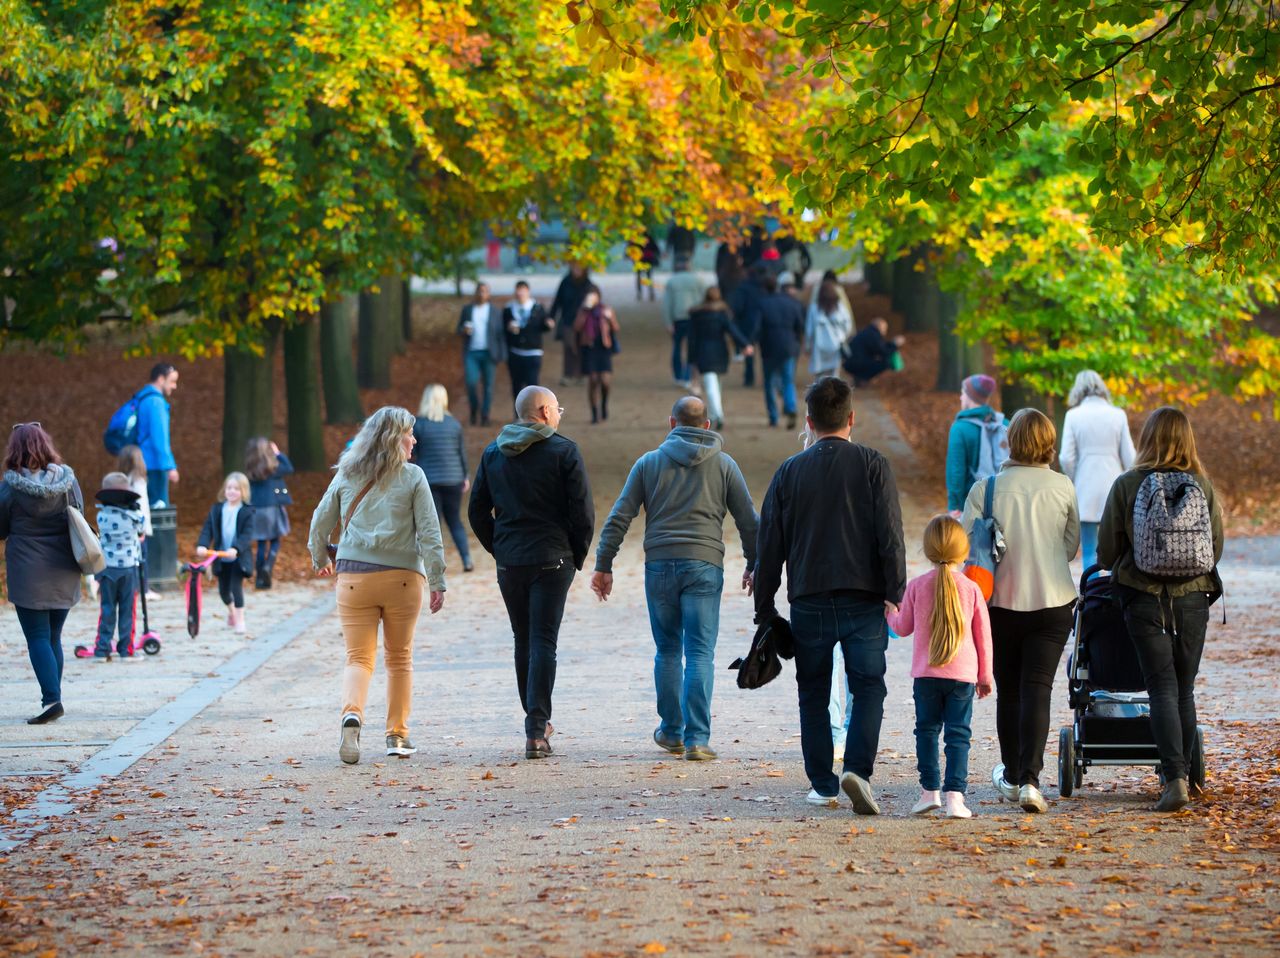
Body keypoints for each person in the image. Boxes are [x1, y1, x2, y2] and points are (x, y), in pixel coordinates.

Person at [754, 377, 906, 812]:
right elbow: (890, 535)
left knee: (813, 692)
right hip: (864, 597)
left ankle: (822, 782)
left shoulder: (789, 472)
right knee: (869, 686)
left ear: (809, 421)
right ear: (851, 418)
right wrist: (894, 589)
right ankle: (857, 766)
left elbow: (770, 547)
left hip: (810, 598)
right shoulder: (873, 465)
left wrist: (764, 606)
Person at [591, 397, 759, 761]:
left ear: (672, 423)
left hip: (660, 567)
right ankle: (698, 738)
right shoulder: (725, 465)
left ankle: (671, 731)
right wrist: (755, 563)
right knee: (700, 652)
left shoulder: (648, 463)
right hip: (704, 566)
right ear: (708, 426)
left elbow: (620, 515)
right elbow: (749, 520)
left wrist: (604, 564)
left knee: (667, 650)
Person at [1098, 407, 1223, 812]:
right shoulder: (1202, 486)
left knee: (1161, 688)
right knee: (1183, 690)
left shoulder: (1128, 484)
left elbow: (1106, 552)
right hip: (1193, 599)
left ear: (1147, 438)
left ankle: (1174, 781)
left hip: (1143, 597)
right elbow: (1215, 548)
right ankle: (1183, 774)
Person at [308, 406, 447, 764]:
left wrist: (320, 559)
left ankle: (351, 714)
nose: (414, 439)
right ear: (392, 438)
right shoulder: (413, 477)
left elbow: (319, 523)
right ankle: (397, 736)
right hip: (403, 578)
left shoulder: (347, 475)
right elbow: (430, 533)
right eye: (409, 433)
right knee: (399, 659)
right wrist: (437, 580)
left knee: (358, 657)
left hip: (354, 578)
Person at [961, 408, 1079, 814]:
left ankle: (1012, 776)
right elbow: (1070, 546)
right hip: (1052, 603)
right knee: (1038, 690)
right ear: (1048, 441)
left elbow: (966, 546)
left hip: (999, 605)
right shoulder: (1063, 486)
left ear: (1010, 440)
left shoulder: (986, 489)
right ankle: (1030, 780)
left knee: (1009, 692)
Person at [468, 386, 594, 760]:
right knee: (543, 641)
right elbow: (583, 514)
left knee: (523, 639)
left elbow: (477, 511)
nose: (559, 415)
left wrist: (499, 548)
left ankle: (534, 724)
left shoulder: (494, 453)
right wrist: (576, 555)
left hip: (512, 561)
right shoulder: (563, 451)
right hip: (553, 559)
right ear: (542, 411)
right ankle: (537, 727)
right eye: (557, 409)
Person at [886, 515, 993, 819]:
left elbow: (902, 627)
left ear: (928, 549)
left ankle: (929, 792)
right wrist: (985, 676)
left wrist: (890, 613)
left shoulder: (918, 586)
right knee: (958, 736)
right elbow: (983, 637)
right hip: (962, 677)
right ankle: (955, 799)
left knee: (927, 731)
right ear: (964, 551)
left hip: (926, 675)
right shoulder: (971, 589)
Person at [0, 424, 85, 724]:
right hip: (64, 568)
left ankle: (52, 698)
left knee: (37, 636)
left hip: (28, 572)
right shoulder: (68, 480)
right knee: (53, 636)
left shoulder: (10, 487)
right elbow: (80, 516)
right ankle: (54, 697)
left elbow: (1, 528)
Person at [1059, 370, 1136, 570]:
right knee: (1118, 549)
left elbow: (1066, 457)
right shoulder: (1118, 415)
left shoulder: (1073, 416)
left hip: (1085, 486)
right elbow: (1130, 457)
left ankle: (1093, 597)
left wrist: (1074, 478)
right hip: (1115, 484)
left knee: (1089, 553)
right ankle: (1115, 595)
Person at [411, 384, 473, 573]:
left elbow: (414, 453)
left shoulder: (419, 424)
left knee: (431, 525)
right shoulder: (453, 424)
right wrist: (465, 475)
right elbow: (460, 452)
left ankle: (431, 565)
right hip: (453, 478)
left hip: (429, 480)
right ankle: (467, 559)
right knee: (455, 520)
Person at [92, 472, 145, 659]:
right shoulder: (134, 516)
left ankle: (102, 648)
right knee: (127, 610)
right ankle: (125, 649)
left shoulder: (101, 516)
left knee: (107, 609)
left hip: (107, 569)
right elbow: (142, 530)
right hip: (129, 569)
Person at [196, 473, 256, 636]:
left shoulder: (247, 512)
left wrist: (236, 548)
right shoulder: (217, 509)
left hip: (238, 557)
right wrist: (202, 545)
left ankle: (240, 620)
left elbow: (247, 535)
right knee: (223, 591)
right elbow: (207, 529)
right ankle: (232, 612)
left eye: (236, 489)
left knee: (236, 588)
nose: (232, 491)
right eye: (229, 488)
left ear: (243, 491)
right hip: (220, 557)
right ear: (224, 490)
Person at [687, 288, 753, 431]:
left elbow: (692, 339)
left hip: (703, 352)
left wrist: (691, 359)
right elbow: (733, 331)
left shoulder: (696, 315)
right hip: (720, 352)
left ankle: (717, 416)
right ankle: (715, 415)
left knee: (711, 387)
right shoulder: (722, 314)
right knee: (716, 386)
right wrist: (745, 344)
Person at [946, 374, 1007, 517]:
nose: (961, 397)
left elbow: (956, 471)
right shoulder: (1004, 424)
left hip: (971, 506)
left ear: (969, 396)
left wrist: (954, 505)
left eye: (962, 393)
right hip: (1003, 504)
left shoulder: (960, 428)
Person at [755, 274, 806, 429]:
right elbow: (800, 325)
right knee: (788, 380)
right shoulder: (791, 303)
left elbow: (757, 328)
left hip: (769, 348)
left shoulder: (762, 304)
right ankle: (790, 408)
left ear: (764, 288)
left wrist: (752, 342)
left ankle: (773, 416)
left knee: (769, 382)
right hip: (788, 346)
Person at [244, 437, 294, 590]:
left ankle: (260, 577)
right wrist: (278, 453)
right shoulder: (273, 469)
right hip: (272, 508)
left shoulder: (251, 470)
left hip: (255, 509)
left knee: (260, 543)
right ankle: (268, 565)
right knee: (275, 539)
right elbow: (289, 468)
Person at [456, 282, 507, 427]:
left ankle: (485, 415)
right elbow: (458, 329)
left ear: (488, 294)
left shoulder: (495, 311)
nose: (481, 294)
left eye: (485, 291)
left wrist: (502, 354)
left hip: (489, 353)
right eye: (479, 291)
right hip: (471, 352)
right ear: (475, 293)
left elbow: (500, 334)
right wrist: (463, 331)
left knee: (488, 386)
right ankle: (474, 410)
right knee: (471, 383)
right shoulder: (467, 310)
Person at [573, 286, 620, 425]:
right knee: (593, 380)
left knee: (605, 381)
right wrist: (584, 311)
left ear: (598, 297)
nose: (591, 299)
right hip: (589, 348)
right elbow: (576, 327)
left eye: (593, 296)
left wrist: (609, 318)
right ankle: (594, 413)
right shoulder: (582, 311)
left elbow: (616, 328)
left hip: (603, 347)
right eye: (589, 296)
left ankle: (604, 404)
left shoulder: (606, 309)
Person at [136, 362, 180, 506]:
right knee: (159, 510)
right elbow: (159, 438)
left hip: (141, 463)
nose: (175, 386)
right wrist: (169, 466)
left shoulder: (143, 398)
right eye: (172, 381)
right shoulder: (156, 402)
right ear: (161, 379)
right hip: (155, 465)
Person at [503, 281, 555, 400]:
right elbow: (502, 330)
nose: (520, 293)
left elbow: (544, 325)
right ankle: (518, 414)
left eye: (523, 290)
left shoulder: (537, 307)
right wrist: (509, 327)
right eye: (518, 290)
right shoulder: (509, 309)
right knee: (516, 385)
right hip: (515, 352)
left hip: (533, 352)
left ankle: (532, 414)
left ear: (528, 292)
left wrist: (549, 324)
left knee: (533, 386)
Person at [662, 257, 707, 387]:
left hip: (678, 318)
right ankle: (688, 376)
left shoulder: (672, 282)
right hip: (695, 318)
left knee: (677, 347)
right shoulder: (699, 280)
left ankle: (678, 375)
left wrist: (668, 322)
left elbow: (667, 304)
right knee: (692, 349)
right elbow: (705, 300)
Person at [116, 445, 153, 597]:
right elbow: (141, 507)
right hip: (139, 528)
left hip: (126, 527)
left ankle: (136, 588)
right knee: (142, 559)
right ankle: (144, 590)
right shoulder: (138, 481)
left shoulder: (122, 480)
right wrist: (142, 529)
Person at [549, 263, 592, 386]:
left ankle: (583, 374)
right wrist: (551, 316)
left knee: (582, 348)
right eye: (574, 268)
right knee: (569, 347)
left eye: (579, 268)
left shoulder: (588, 284)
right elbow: (557, 301)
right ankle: (568, 374)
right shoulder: (565, 282)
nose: (576, 270)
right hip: (568, 321)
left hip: (584, 323)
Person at [805, 280, 854, 379]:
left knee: (819, 376)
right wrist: (843, 337)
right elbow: (848, 325)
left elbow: (809, 330)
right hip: (835, 346)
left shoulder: (814, 309)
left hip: (819, 347)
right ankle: (833, 394)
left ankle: (820, 394)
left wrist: (807, 345)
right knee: (834, 375)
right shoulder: (840, 308)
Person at [729, 265, 767, 388]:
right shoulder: (764, 288)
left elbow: (738, 307)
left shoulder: (742, 288)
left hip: (747, 323)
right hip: (764, 323)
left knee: (749, 351)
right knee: (766, 352)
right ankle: (767, 377)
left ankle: (749, 378)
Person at [843, 317, 903, 386]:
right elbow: (883, 352)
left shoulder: (866, 332)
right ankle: (862, 378)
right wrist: (895, 344)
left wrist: (891, 344)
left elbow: (880, 348)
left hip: (850, 362)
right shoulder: (873, 335)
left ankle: (859, 378)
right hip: (856, 364)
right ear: (880, 327)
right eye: (885, 329)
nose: (885, 332)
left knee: (874, 360)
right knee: (885, 363)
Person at [633, 233, 660, 301]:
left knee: (639, 277)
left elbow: (631, 248)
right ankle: (650, 293)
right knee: (648, 276)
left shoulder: (636, 238)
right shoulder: (649, 237)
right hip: (647, 260)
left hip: (640, 260)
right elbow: (656, 248)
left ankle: (640, 294)